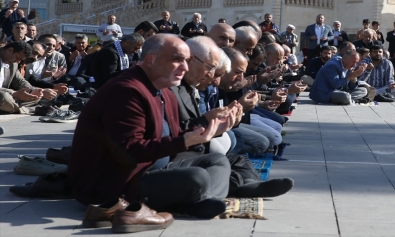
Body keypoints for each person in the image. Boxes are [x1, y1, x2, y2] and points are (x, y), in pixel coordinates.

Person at [68, 34, 290, 223]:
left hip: (153, 168)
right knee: (197, 177)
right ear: (151, 59)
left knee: (218, 161)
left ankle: (196, 202)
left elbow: (176, 134)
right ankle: (196, 200)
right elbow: (129, 152)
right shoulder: (127, 91)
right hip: (116, 183)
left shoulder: (163, 88)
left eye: (186, 61)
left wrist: (210, 128)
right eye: (177, 60)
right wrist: (186, 141)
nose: (184, 67)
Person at [0, 41, 47, 114]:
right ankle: (24, 110)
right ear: (10, 50)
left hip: (8, 95)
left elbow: (19, 81)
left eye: (21, 60)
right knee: (3, 96)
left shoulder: (13, 63)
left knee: (34, 96)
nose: (18, 62)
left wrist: (32, 90)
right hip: (4, 95)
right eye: (18, 58)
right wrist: (14, 93)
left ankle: (9, 108)